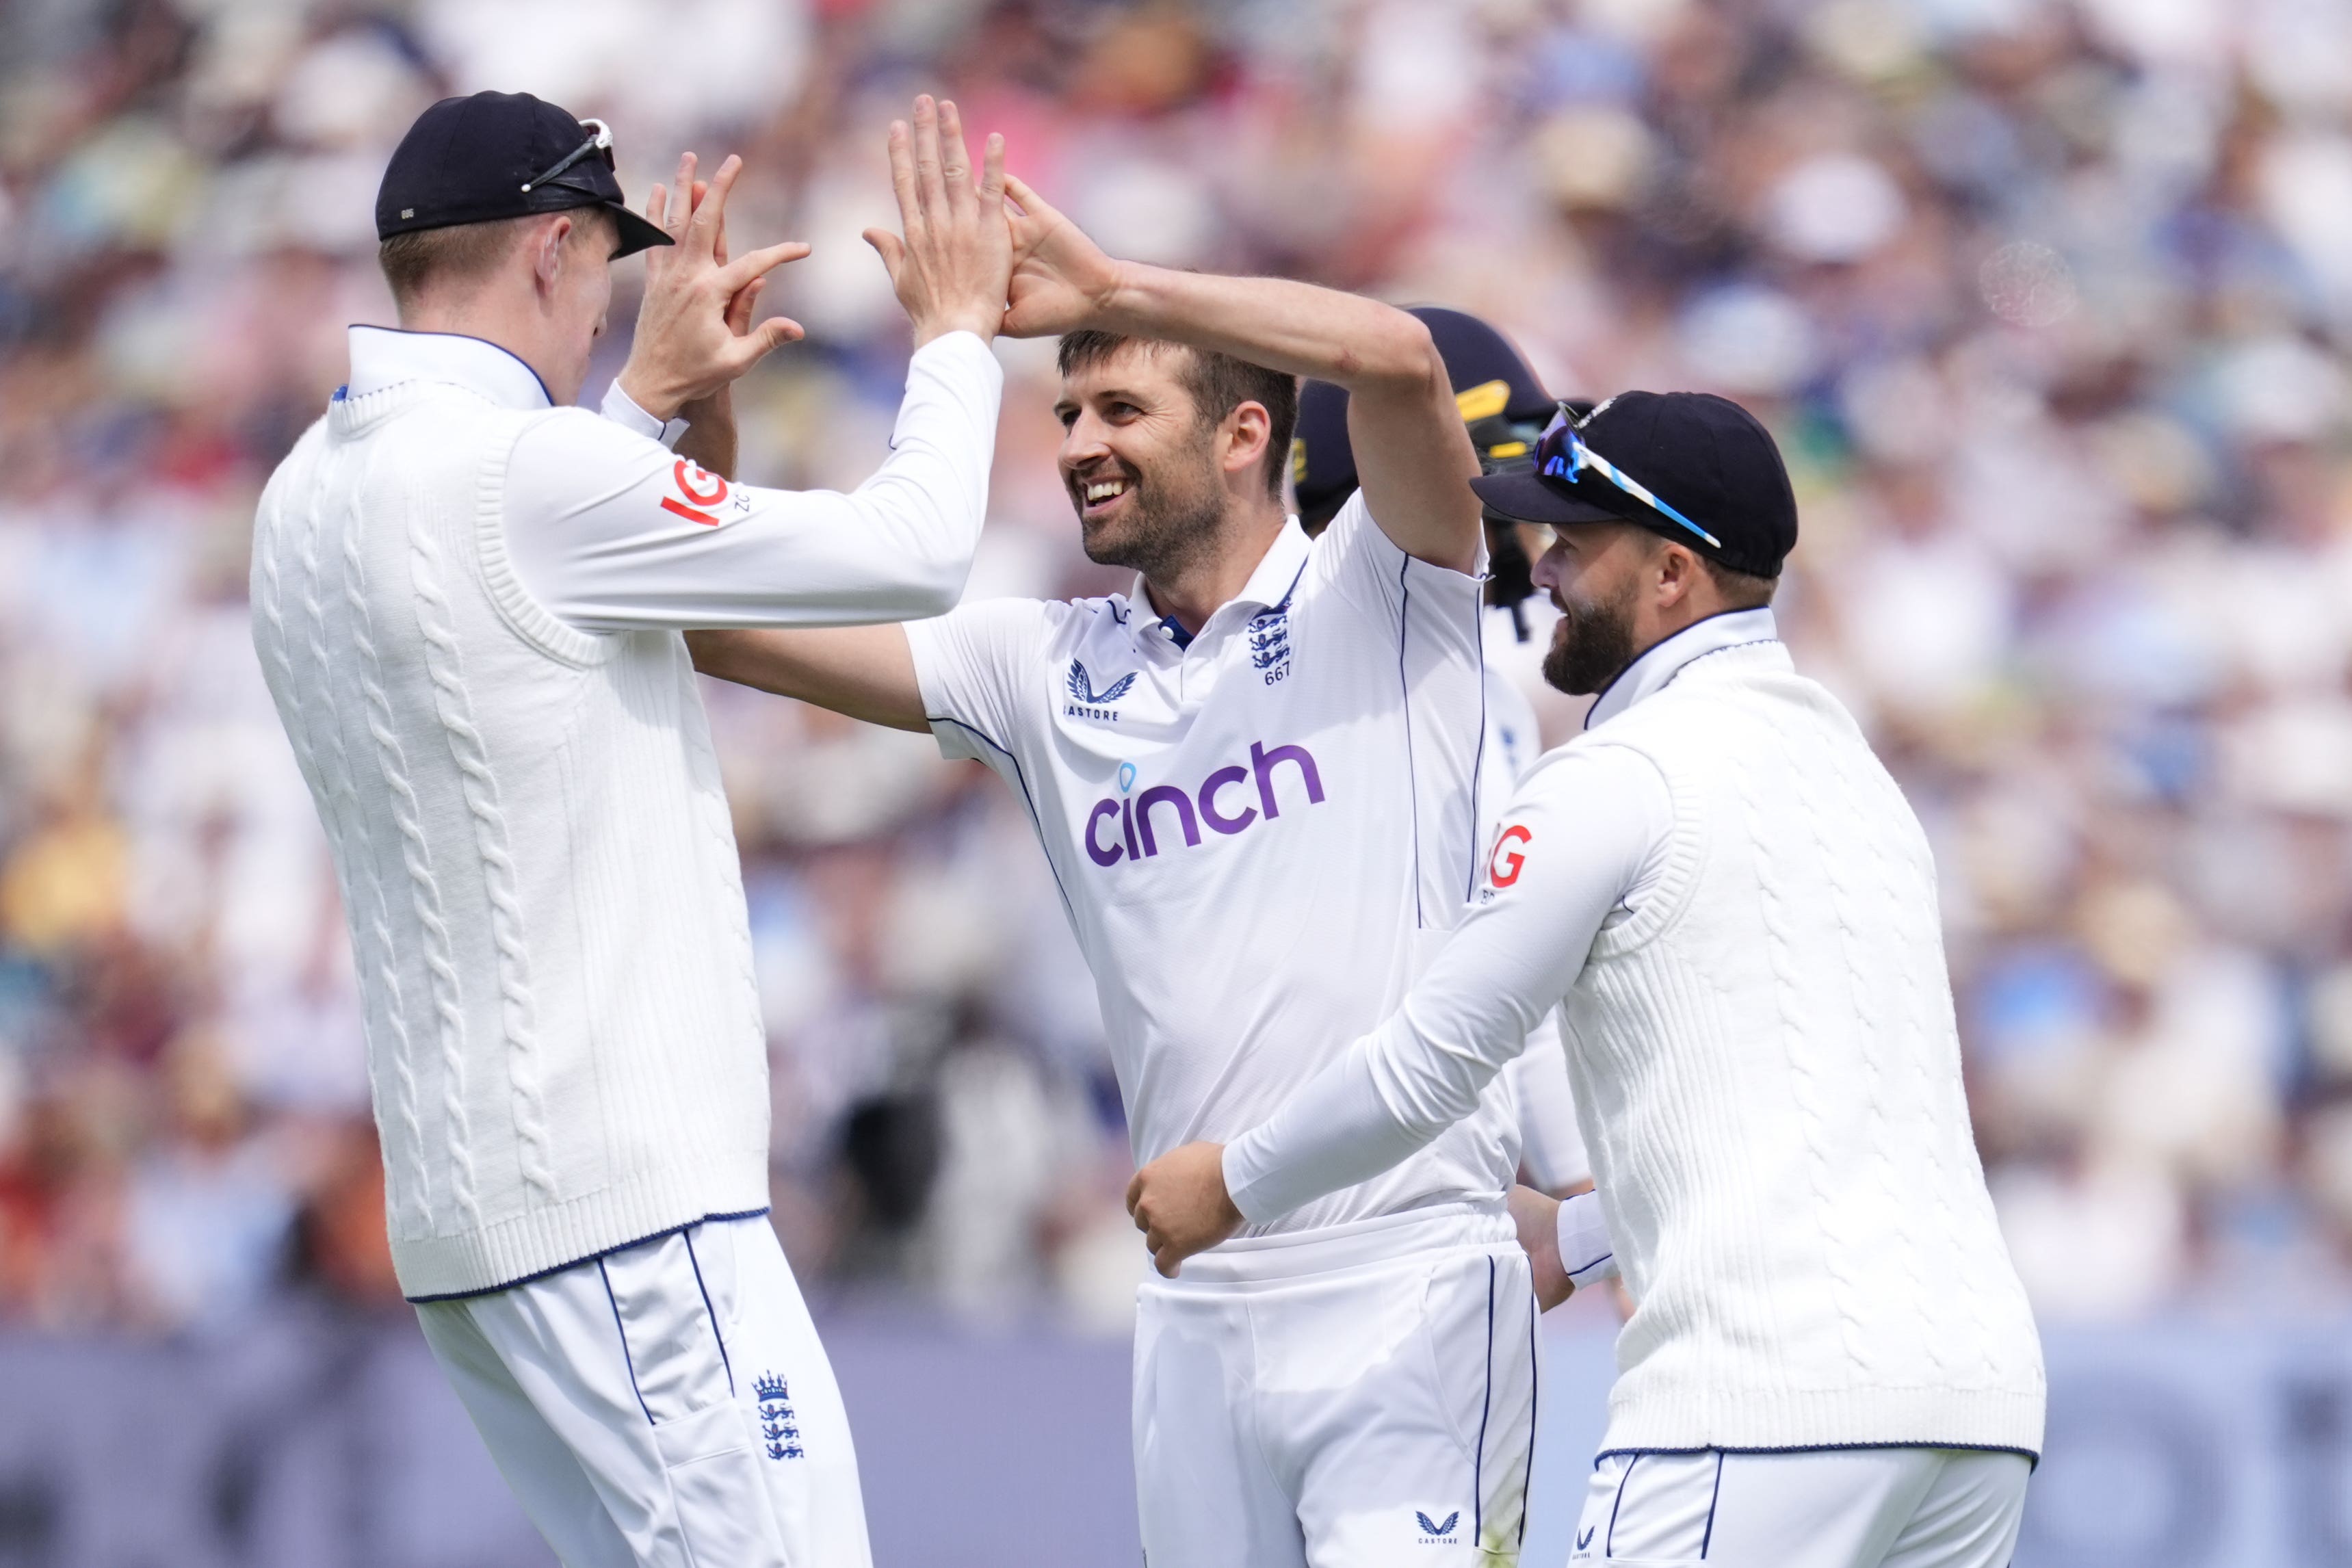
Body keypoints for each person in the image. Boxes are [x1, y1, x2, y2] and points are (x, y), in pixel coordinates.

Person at [688, 177, 1538, 1564]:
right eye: (1068, 414)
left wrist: (1122, 289)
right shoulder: (1043, 666)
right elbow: (725, 633)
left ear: (1248, 433)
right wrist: (703, 422)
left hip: (1406, 1288)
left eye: (1122, 411)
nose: (1080, 444)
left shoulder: (1383, 594)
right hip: (1194, 1307)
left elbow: (1397, 358)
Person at [249, 90, 1013, 1568]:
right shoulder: (532, 477)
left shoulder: (300, 497)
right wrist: (962, 331)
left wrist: (645, 414)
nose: (606, 312)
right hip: (636, 1221)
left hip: (472, 1245)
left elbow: (510, 603)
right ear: (550, 251)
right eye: (602, 268)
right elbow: (914, 553)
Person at [1127, 393, 2048, 1568]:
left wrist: (1233, 1182)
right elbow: (1815, 1128)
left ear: (1671, 572)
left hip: (1753, 1411)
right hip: (1974, 1414)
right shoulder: (1853, 775)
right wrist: (1590, 1232)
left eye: (1572, 541)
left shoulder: (1614, 775)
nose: (1541, 570)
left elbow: (1428, 1069)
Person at [1290, 306, 1592, 1203]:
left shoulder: (1489, 700)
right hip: (1304, 1203)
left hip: (1426, 1203)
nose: (1544, 530)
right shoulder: (1282, 694)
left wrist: (1586, 1204)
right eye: (1515, 469)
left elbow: (1515, 986)